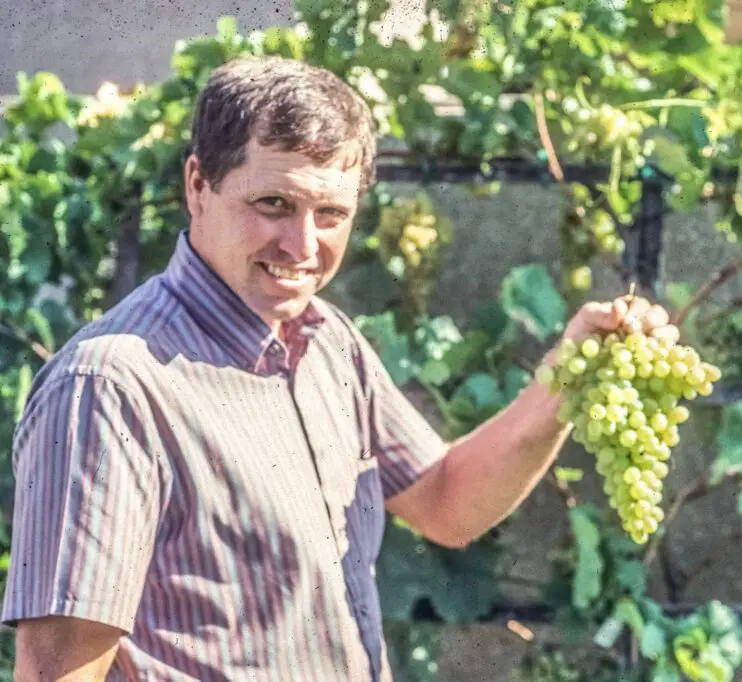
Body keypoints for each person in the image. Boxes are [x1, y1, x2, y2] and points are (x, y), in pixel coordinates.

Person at [2, 55, 678, 682]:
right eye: (275, 204)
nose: (302, 245)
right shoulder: (110, 387)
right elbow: (55, 669)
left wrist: (566, 379)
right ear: (198, 185)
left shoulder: (329, 344)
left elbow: (446, 502)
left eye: (331, 214)